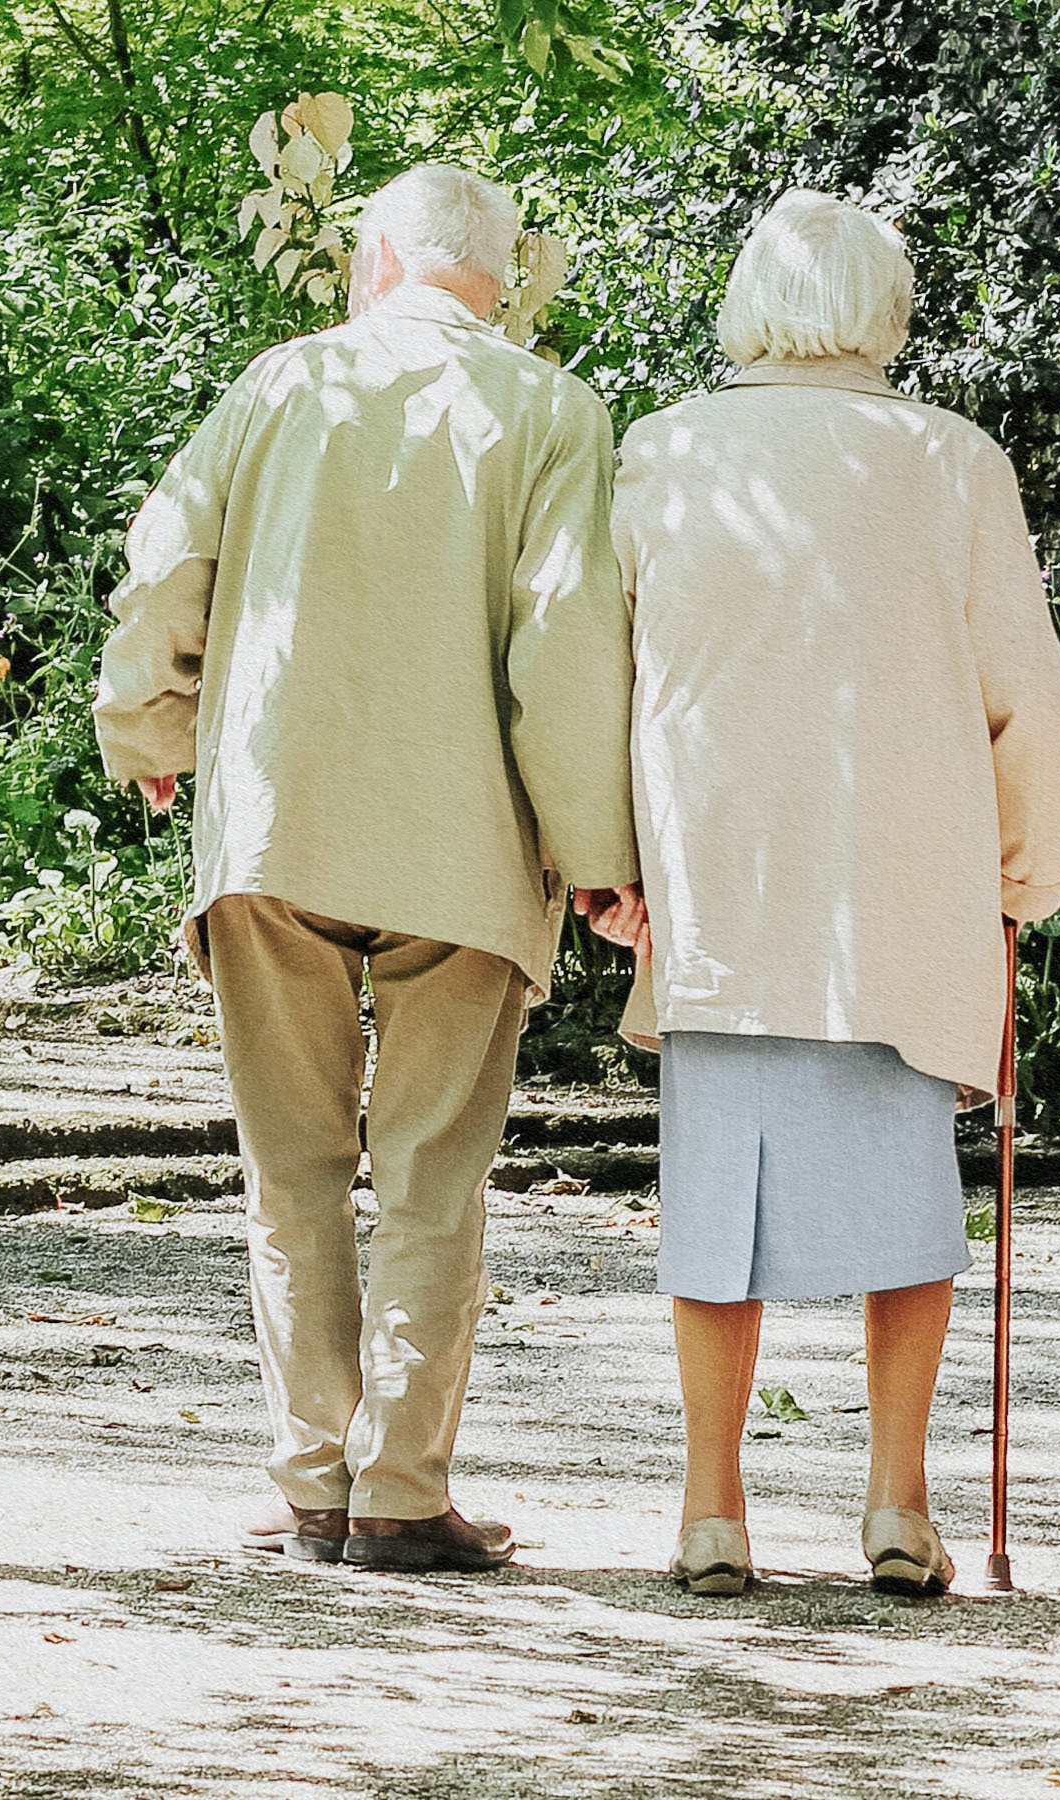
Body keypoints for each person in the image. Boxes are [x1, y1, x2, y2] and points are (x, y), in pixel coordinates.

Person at [92, 164, 645, 1575]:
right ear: (502, 277)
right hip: (465, 848)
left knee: (291, 1171)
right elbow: (567, 645)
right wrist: (597, 858)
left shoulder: (277, 386)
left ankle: (310, 1485)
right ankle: (400, 1495)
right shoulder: (552, 410)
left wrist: (147, 726)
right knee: (431, 1177)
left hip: (280, 826)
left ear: (379, 258)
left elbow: (167, 572)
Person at [606, 190, 1060, 1598]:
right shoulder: (950, 463)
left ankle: (712, 1511)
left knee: (714, 1211)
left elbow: (604, 679)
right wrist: (1025, 858)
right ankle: (896, 1505)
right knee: (905, 1208)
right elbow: (1031, 701)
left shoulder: (665, 453)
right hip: (901, 889)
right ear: (886, 311)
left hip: (723, 886)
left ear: (751, 304)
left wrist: (610, 865)